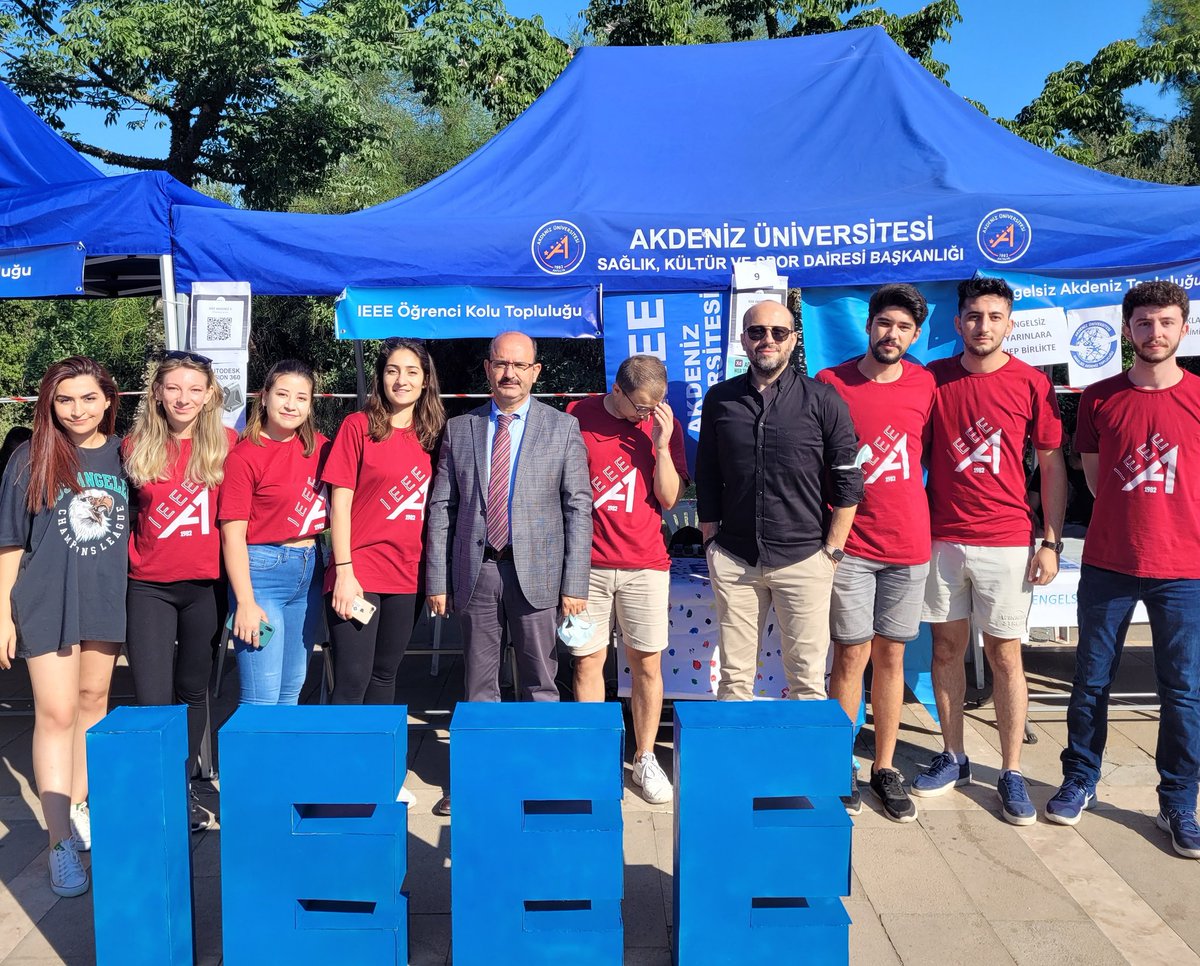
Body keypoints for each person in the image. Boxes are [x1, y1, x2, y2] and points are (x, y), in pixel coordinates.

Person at [1045, 280, 1200, 859]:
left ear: (1183, 328)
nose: (1154, 333)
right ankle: (1080, 777)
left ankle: (1178, 801)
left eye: (1165, 322)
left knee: (1183, 691)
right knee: (1091, 679)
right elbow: (1092, 474)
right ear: (1127, 331)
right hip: (1110, 561)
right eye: (1143, 323)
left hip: (1185, 568)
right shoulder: (1100, 398)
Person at [913, 276, 1066, 826]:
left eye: (994, 316)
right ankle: (954, 757)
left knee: (1005, 656)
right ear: (957, 324)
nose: (983, 326)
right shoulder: (931, 380)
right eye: (973, 316)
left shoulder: (1031, 384)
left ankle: (1011, 770)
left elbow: (1051, 465)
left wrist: (1050, 539)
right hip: (941, 537)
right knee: (947, 652)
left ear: (1010, 323)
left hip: (1006, 539)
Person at [426, 331, 592, 816]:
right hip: (476, 572)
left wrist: (574, 584)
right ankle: (478, 779)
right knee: (479, 683)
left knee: (540, 680)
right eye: (501, 364)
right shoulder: (461, 429)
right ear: (487, 368)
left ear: (536, 372)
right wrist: (438, 578)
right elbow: (442, 507)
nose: (510, 374)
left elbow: (578, 509)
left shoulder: (561, 428)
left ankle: (544, 780)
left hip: (538, 574)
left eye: (520, 365)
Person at [0, 356, 128, 897]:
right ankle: (59, 845)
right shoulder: (31, 456)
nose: (77, 410)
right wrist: (2, 612)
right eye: (64, 399)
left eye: (88, 398)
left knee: (94, 702)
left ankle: (78, 811)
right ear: (49, 404)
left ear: (108, 399)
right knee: (56, 714)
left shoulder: (126, 454)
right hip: (46, 598)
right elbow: (9, 540)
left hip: (105, 596)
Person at [695, 300, 862, 702]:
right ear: (743, 340)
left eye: (778, 332)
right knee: (733, 681)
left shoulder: (823, 399)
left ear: (792, 340)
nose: (766, 340)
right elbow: (707, 475)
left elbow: (849, 478)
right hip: (735, 560)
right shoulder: (720, 399)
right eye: (757, 332)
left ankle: (806, 766)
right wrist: (710, 543)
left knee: (806, 679)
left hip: (805, 559)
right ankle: (734, 765)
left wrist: (832, 552)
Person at [817, 283, 935, 823]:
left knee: (892, 657)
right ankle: (838, 764)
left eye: (904, 328)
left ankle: (884, 766)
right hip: (851, 545)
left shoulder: (925, 384)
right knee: (850, 655)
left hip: (908, 544)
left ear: (915, 335)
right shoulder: (831, 383)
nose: (892, 335)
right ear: (869, 325)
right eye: (885, 323)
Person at [567, 355, 687, 805]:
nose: (645, 414)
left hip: (645, 566)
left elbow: (670, 499)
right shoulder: (577, 415)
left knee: (647, 666)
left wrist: (659, 444)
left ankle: (644, 757)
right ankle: (594, 756)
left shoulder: (660, 425)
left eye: (653, 406)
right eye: (638, 407)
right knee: (586, 663)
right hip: (586, 567)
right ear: (616, 389)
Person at [124, 351, 234, 832]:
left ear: (211, 393)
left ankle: (184, 785)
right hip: (148, 587)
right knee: (151, 695)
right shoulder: (132, 446)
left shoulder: (229, 444)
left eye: (195, 388)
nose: (184, 397)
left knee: (193, 691)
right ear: (157, 392)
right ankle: (159, 793)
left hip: (205, 588)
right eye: (174, 387)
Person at [324, 339, 445, 704]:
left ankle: (380, 761)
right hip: (359, 572)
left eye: (411, 372)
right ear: (381, 377)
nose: (401, 380)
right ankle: (342, 761)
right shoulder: (357, 427)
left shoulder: (436, 436)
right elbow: (339, 505)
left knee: (385, 675)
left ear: (426, 380)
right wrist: (344, 572)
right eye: (392, 370)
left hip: (409, 575)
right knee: (352, 678)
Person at [219, 360, 330, 706]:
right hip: (262, 573)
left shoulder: (322, 448)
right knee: (261, 694)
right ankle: (252, 762)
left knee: (292, 687)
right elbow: (231, 535)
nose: (291, 404)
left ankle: (281, 761)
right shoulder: (245, 456)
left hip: (310, 571)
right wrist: (245, 602)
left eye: (301, 397)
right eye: (282, 394)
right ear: (264, 397)